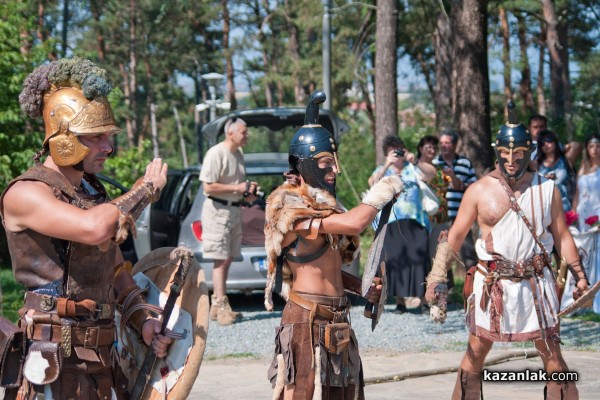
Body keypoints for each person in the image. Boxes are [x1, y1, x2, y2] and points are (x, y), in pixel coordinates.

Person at [0, 57, 171, 399]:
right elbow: (92, 228)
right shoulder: (26, 193)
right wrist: (145, 189)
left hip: (102, 356)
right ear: (62, 136)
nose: (107, 147)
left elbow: (115, 267)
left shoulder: (92, 192)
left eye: (108, 136)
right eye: (95, 137)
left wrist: (142, 320)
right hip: (51, 358)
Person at [425, 104, 589, 399]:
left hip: (536, 282)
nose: (512, 161)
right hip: (493, 284)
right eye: (505, 154)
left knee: (552, 355)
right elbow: (453, 238)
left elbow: (562, 236)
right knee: (474, 354)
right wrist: (436, 276)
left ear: (531, 151)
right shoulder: (478, 191)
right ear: (497, 151)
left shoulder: (546, 189)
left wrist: (579, 275)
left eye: (519, 155)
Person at [264, 91, 398, 399]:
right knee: (300, 393)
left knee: (344, 395)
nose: (334, 171)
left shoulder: (326, 206)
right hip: (304, 317)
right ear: (305, 164)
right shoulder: (287, 207)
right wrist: (381, 192)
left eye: (334, 163)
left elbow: (331, 271)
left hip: (338, 316)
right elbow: (354, 224)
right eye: (326, 163)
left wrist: (361, 286)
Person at [200, 117, 258, 325]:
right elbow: (208, 187)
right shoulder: (216, 153)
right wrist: (237, 189)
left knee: (228, 258)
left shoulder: (239, 154)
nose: (247, 135)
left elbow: (239, 185)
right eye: (243, 132)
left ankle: (216, 305)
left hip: (234, 210)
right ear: (230, 133)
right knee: (221, 259)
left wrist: (247, 192)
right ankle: (222, 305)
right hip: (217, 211)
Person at [368, 135, 431, 313]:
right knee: (394, 261)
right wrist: (387, 164)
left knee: (419, 260)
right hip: (392, 221)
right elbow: (373, 183)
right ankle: (400, 302)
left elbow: (431, 174)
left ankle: (424, 301)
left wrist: (415, 160)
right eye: (392, 151)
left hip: (416, 220)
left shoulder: (413, 168)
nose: (396, 154)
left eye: (399, 150)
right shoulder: (382, 170)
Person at [432, 129, 478, 281]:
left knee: (468, 252)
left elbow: (474, 187)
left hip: (461, 216)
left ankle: (474, 287)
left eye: (447, 143)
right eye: (442, 143)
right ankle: (446, 292)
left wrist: (455, 179)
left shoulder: (465, 163)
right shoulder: (434, 163)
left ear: (455, 144)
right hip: (440, 217)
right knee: (442, 255)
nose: (444, 146)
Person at [563, 133, 600, 313]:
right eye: (591, 146)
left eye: (598, 146)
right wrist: (572, 215)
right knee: (584, 257)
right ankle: (582, 298)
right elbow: (577, 195)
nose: (595, 149)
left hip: (597, 216)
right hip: (583, 217)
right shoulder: (583, 169)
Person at [536, 130, 576, 212]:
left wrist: (561, 147)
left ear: (555, 141)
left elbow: (576, 145)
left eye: (548, 140)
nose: (546, 144)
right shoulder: (537, 164)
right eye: (542, 143)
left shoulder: (565, 159)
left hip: (566, 208)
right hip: (545, 210)